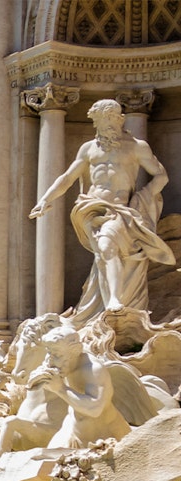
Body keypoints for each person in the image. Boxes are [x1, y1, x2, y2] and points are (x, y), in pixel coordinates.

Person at [30, 98, 171, 323]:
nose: (105, 125)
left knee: (106, 249)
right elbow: (67, 177)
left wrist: (142, 197)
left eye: (110, 120)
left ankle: (109, 304)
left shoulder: (136, 146)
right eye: (100, 121)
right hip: (91, 208)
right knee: (105, 249)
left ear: (120, 119)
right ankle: (113, 300)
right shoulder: (88, 149)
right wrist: (46, 199)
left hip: (121, 209)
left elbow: (161, 176)